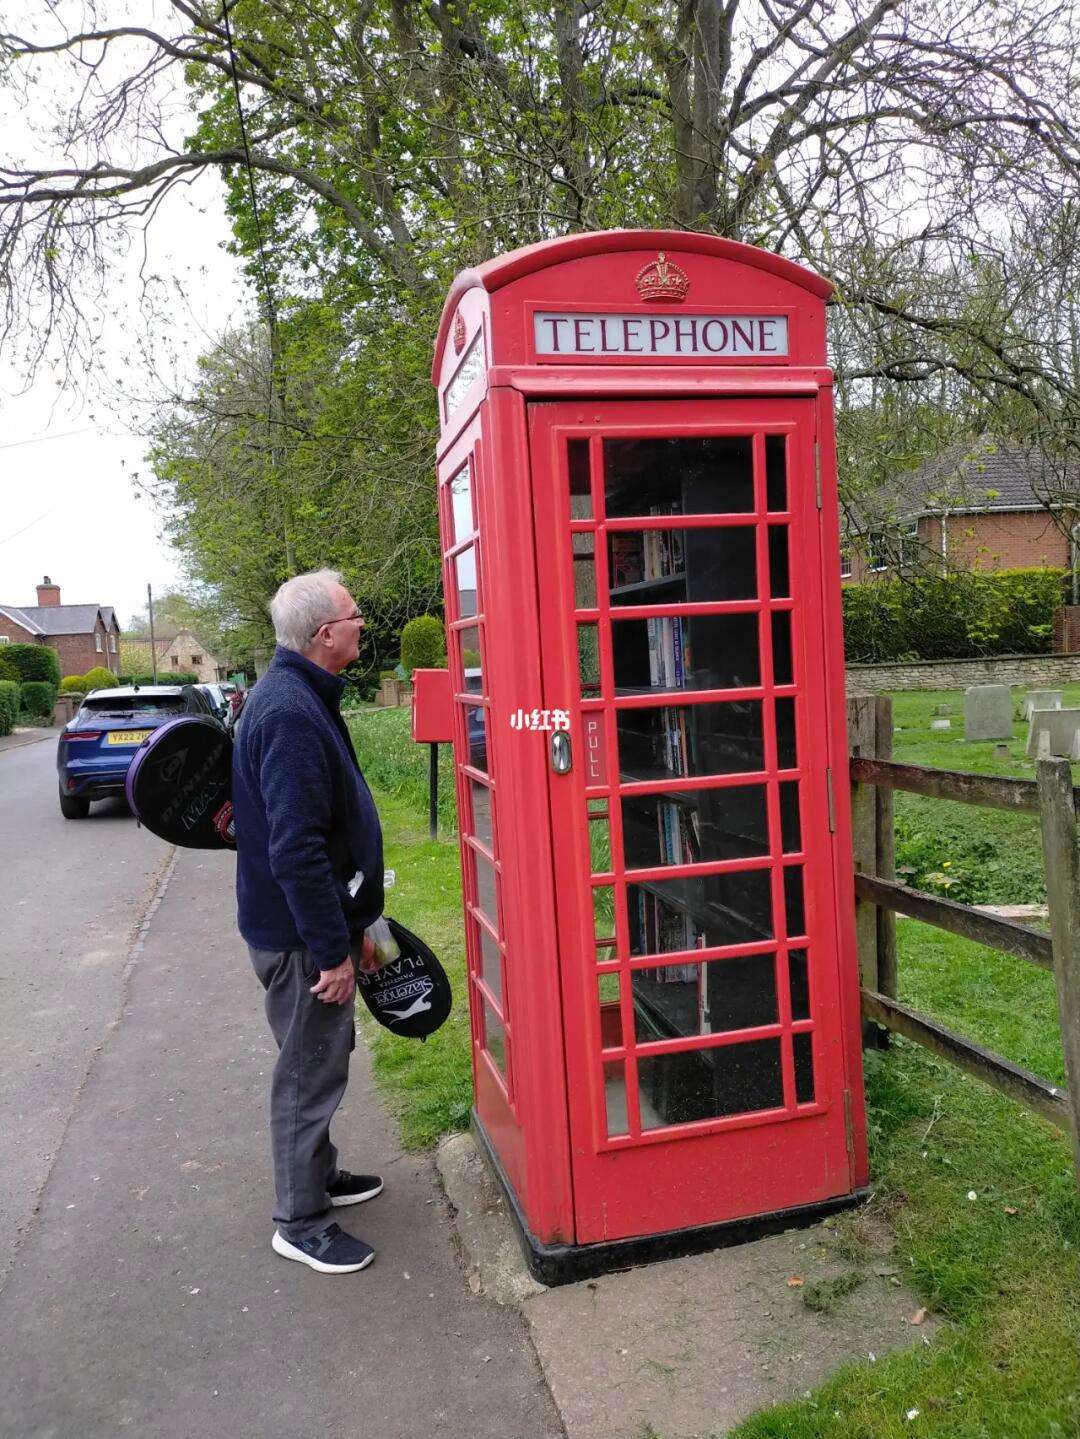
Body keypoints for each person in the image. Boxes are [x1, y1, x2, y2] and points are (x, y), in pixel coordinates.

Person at [232, 568, 385, 1274]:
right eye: (354, 616)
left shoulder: (294, 693)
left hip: (300, 926)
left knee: (322, 1056)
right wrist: (332, 951)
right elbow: (294, 849)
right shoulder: (291, 711)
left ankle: (318, 1174)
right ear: (326, 634)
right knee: (307, 1071)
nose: (363, 624)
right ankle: (299, 1219)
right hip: (299, 937)